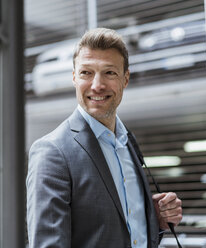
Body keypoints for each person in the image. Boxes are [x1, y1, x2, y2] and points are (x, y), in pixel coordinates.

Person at [27, 28, 182, 248]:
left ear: (125, 79)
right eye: (86, 73)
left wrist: (152, 219)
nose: (97, 85)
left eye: (109, 72)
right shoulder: (52, 151)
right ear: (74, 78)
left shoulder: (128, 142)